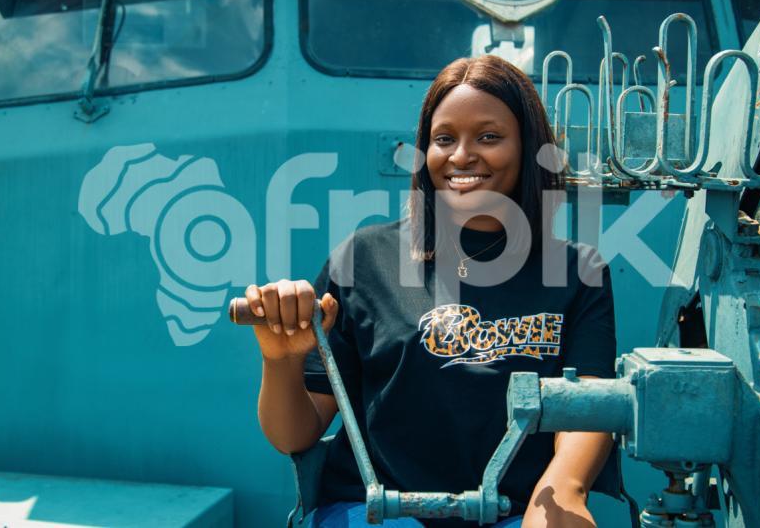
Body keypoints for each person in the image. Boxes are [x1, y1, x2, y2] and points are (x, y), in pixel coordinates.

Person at [251, 54, 617, 527]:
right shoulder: (363, 259)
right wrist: (279, 361)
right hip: (377, 514)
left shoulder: (578, 272)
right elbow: (294, 436)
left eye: (489, 137)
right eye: (444, 139)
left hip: (519, 515)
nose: (462, 156)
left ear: (529, 147)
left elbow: (586, 405)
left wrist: (563, 490)